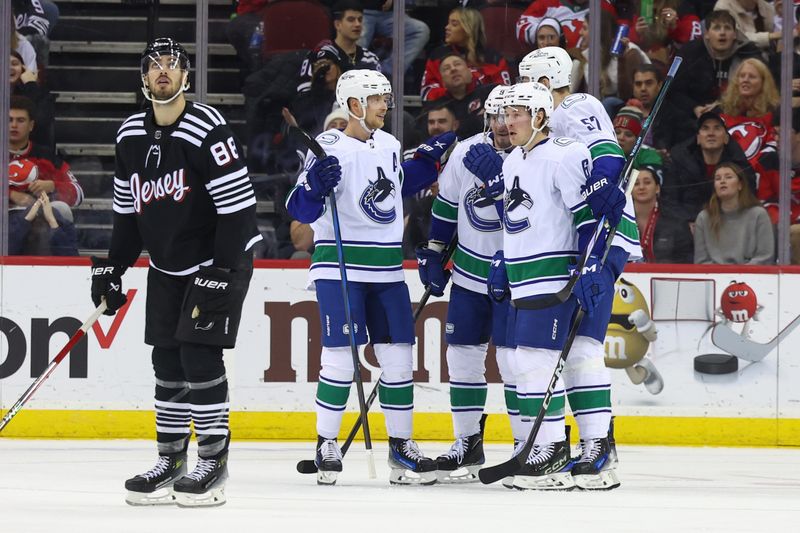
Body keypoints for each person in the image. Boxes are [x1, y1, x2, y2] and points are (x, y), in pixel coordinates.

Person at [90, 38, 262, 507]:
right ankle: (171, 460)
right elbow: (128, 214)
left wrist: (223, 271)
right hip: (167, 263)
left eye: (172, 65)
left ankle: (213, 460)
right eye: (154, 66)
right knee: (166, 360)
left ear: (187, 76)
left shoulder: (207, 127)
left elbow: (239, 209)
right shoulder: (129, 135)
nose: (163, 72)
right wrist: (113, 267)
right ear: (143, 77)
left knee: (199, 356)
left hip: (218, 259)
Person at [285, 69, 456, 486]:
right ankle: (326, 442)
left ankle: (402, 447)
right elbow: (299, 208)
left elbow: (393, 186)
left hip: (385, 266)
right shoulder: (327, 146)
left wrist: (430, 162)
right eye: (378, 99)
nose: (386, 105)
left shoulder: (391, 144)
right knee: (342, 357)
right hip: (339, 264)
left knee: (399, 356)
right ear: (356, 105)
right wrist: (314, 187)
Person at [518, 46, 643, 490]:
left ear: (549, 82)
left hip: (604, 235)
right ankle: (585, 444)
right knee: (572, 349)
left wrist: (608, 184)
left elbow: (607, 155)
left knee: (585, 346)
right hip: (581, 240)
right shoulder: (543, 130)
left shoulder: (576, 105)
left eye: (531, 84)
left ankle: (598, 446)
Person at [492, 82, 625, 490]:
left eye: (517, 113)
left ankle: (555, 451)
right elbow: (516, 217)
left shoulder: (566, 154)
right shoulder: (513, 159)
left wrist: (591, 267)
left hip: (554, 276)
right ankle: (565, 450)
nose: (507, 121)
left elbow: (588, 219)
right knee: (526, 362)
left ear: (540, 116)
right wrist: (502, 258)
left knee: (540, 360)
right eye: (505, 113)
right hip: (523, 275)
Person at [414, 85, 521, 483]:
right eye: (496, 117)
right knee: (461, 356)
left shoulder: (532, 156)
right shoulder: (465, 151)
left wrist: (497, 183)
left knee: (515, 362)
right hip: (469, 274)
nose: (503, 125)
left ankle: (523, 445)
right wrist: (435, 250)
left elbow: (528, 216)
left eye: (510, 116)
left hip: (515, 276)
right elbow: (446, 205)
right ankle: (468, 443)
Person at [661, 10, 761, 148]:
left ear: (735, 34)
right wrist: (694, 108)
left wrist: (722, 106)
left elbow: (760, 89)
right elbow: (673, 90)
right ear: (706, 34)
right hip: (693, 117)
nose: (722, 33)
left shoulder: (748, 53)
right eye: (717, 28)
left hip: (736, 114)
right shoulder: (690, 53)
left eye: (727, 28)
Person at [662, 110, 755, 224]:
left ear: (726, 138)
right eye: (705, 128)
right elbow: (669, 202)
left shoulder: (738, 164)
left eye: (717, 128)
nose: (711, 133)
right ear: (698, 139)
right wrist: (690, 222)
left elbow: (749, 198)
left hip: (729, 222)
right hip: (688, 225)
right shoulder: (679, 160)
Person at [571, 9, 650, 116]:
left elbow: (629, 92)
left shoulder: (630, 51)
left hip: (628, 105)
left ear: (598, 32)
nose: (580, 33)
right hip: (599, 107)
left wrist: (623, 60)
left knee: (609, 102)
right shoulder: (586, 55)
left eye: (585, 28)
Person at [9, 96, 82, 212]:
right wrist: (10, 194)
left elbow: (78, 193)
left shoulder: (45, 156)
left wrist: (52, 186)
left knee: (62, 209)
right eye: (9, 120)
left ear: (31, 125)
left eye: (20, 120)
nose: (13, 125)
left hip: (39, 221)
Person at [421, 7, 510, 101]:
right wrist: (453, 93)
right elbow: (426, 93)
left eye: (454, 24)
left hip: (483, 112)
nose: (447, 27)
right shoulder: (438, 55)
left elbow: (505, 93)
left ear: (468, 28)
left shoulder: (493, 58)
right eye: (448, 23)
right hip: (447, 110)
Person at [694, 162, 774, 264]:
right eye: (718, 178)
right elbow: (701, 261)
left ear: (740, 185)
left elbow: (764, 257)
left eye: (728, 177)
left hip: (750, 277)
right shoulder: (703, 218)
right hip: (716, 277)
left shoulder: (758, 214)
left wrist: (739, 276)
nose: (722, 181)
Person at [718, 58, 779, 191]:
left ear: (763, 83)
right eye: (742, 76)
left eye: (752, 77)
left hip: (757, 180)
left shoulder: (774, 113)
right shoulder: (721, 111)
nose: (745, 80)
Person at [298, 1, 381, 93]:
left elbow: (377, 96)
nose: (357, 24)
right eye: (351, 20)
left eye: (360, 20)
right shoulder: (318, 56)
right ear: (337, 25)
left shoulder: (371, 59)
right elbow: (304, 93)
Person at [631, 165, 694, 263]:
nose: (641, 187)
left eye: (647, 182)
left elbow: (685, 258)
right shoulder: (619, 221)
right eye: (636, 183)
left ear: (657, 188)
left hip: (666, 275)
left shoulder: (675, 220)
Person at [357, 0, 430, 75]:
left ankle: (385, 73)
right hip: (361, 11)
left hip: (390, 14)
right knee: (356, 35)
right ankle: (354, 75)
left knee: (420, 30)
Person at [433, 53, 496, 139]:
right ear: (442, 81)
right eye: (446, 68)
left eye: (457, 64)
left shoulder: (491, 92)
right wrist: (478, 119)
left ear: (469, 71)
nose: (453, 69)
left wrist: (461, 125)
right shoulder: (439, 107)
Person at [627, 0, 702, 67]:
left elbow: (695, 45)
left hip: (675, 68)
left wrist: (675, 26)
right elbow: (621, 41)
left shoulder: (683, 7)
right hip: (640, 68)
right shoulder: (630, 7)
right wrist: (635, 32)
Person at [10, 50, 55, 150]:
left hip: (31, 154)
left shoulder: (39, 92)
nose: (9, 68)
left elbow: (40, 122)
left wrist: (31, 85)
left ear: (23, 69)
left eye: (14, 63)